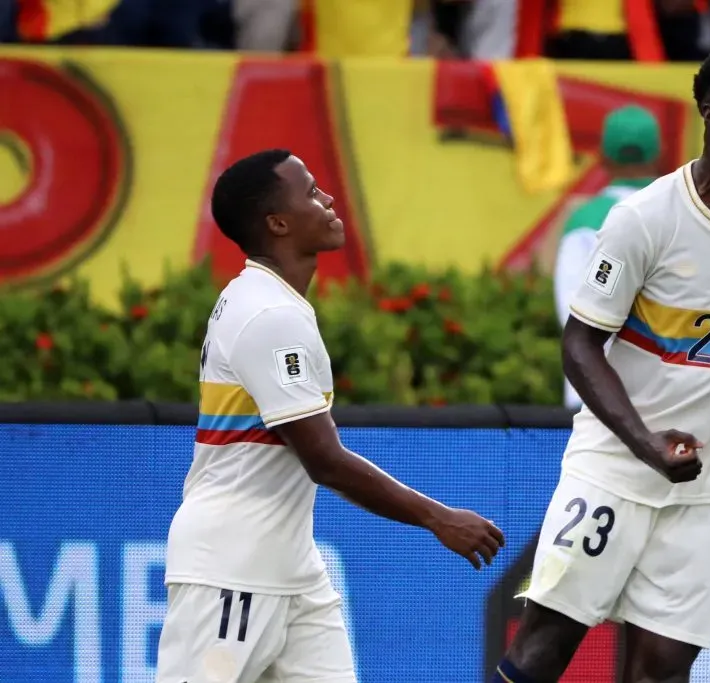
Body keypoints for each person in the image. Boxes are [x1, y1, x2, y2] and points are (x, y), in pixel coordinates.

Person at [492, 43, 710, 683]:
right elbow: (580, 343)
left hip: (704, 487)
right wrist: (645, 443)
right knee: (545, 647)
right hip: (614, 467)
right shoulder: (643, 219)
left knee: (664, 670)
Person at [156, 149, 505, 683]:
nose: (328, 200)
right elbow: (325, 460)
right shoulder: (269, 315)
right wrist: (439, 518)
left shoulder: (268, 301)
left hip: (291, 570)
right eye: (312, 193)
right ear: (278, 223)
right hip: (232, 569)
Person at [553, 104, 662, 411]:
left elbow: (573, 312)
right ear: (658, 153)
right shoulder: (682, 215)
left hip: (593, 398)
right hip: (666, 396)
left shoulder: (584, 220)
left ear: (602, 156)